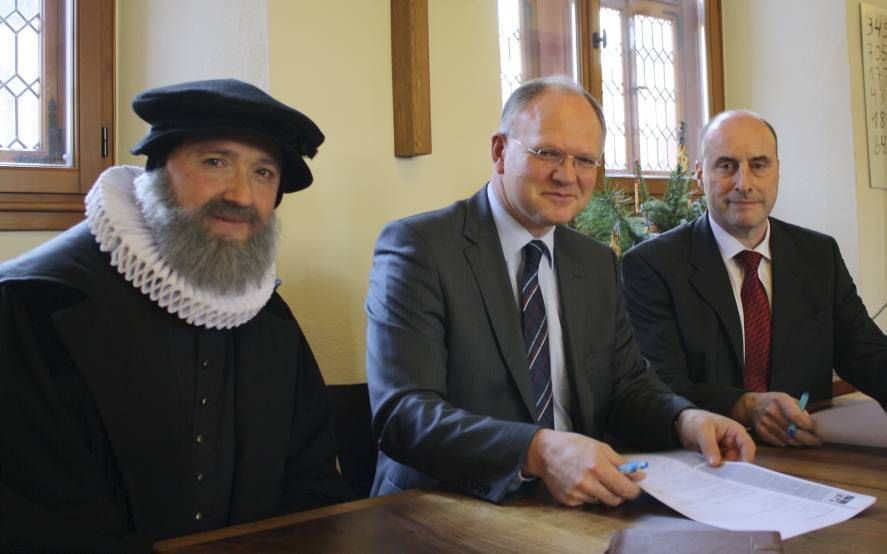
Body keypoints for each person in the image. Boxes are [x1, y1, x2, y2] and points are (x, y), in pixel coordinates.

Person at [365, 76, 754, 508]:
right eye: (547, 152)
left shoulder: (594, 262)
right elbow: (404, 415)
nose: (566, 176)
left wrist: (685, 419)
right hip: (444, 507)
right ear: (499, 151)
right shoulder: (421, 247)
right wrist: (537, 451)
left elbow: (626, 386)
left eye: (585, 160)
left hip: (576, 507)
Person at [0, 79, 352, 552]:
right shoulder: (34, 307)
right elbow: (39, 518)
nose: (243, 195)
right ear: (158, 169)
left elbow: (311, 487)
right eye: (215, 161)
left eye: (264, 173)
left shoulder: (270, 316)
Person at [621, 109, 887, 448]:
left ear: (777, 172)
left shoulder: (819, 255)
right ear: (700, 174)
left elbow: (864, 352)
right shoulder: (651, 265)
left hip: (806, 456)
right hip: (707, 458)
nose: (743, 183)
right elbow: (659, 384)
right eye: (726, 165)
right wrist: (745, 405)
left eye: (759, 165)